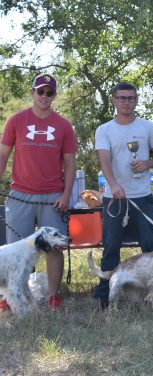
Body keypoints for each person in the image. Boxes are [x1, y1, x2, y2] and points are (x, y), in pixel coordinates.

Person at [0, 73, 77, 311]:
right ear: (32, 92)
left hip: (52, 197)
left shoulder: (63, 125)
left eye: (49, 92)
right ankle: (8, 297)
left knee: (55, 248)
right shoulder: (16, 120)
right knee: (14, 251)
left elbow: (70, 163)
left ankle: (53, 296)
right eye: (40, 91)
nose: (44, 96)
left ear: (54, 95)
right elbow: (3, 154)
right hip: (20, 195)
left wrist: (65, 195)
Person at [94, 82, 153, 307]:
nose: (127, 102)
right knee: (111, 246)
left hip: (142, 196)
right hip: (114, 198)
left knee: (149, 245)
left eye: (131, 98)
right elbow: (104, 160)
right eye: (122, 98)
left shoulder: (147, 127)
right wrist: (113, 185)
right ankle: (105, 292)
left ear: (136, 100)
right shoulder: (104, 129)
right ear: (114, 101)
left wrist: (147, 163)